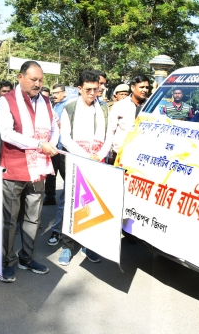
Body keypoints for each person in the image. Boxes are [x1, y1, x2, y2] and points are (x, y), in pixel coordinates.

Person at [0, 60, 59, 283]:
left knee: (33, 217)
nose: (38, 84)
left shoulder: (46, 102)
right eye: (33, 79)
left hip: (39, 168)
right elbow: (6, 133)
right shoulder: (6, 100)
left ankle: (27, 257)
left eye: (41, 80)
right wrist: (40, 144)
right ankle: (6, 261)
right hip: (14, 168)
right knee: (9, 220)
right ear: (20, 77)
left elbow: (54, 128)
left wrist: (52, 143)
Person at [57, 70, 112, 265]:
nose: (92, 93)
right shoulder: (69, 108)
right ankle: (67, 246)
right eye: (88, 89)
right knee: (72, 205)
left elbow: (109, 137)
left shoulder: (104, 109)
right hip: (76, 163)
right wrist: (86, 156)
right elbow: (65, 138)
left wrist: (99, 155)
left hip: (97, 163)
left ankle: (89, 245)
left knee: (92, 204)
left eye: (95, 89)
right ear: (79, 89)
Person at [105, 75, 150, 164]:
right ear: (133, 88)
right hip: (119, 155)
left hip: (141, 157)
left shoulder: (151, 106)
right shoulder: (119, 105)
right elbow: (110, 131)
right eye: (141, 87)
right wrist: (109, 154)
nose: (145, 90)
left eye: (147, 87)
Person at [46, 83, 69, 243]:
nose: (53, 95)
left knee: (67, 181)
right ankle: (50, 196)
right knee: (51, 174)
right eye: (52, 93)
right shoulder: (53, 105)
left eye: (56, 92)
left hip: (64, 149)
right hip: (53, 147)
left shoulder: (67, 106)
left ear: (64, 93)